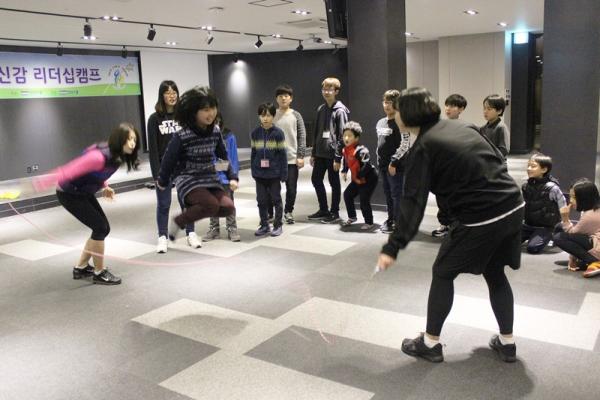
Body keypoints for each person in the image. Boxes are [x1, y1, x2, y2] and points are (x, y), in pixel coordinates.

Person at [377, 88, 524, 363]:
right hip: (513, 205)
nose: (394, 115)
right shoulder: (464, 126)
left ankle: (430, 343)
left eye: (397, 111)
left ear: (406, 116)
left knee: (443, 272)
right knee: (494, 272)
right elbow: (496, 160)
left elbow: (412, 204)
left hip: (482, 217)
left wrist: (392, 247)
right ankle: (507, 343)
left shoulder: (423, 147)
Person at [32, 122, 141, 285]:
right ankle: (99, 272)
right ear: (119, 140)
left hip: (83, 192)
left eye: (134, 139)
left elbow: (97, 173)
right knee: (100, 228)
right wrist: (38, 184)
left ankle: (81, 267)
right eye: (129, 139)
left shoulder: (117, 156)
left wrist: (105, 186)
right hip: (69, 194)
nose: (132, 143)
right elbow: (68, 171)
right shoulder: (97, 157)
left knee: (103, 228)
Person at [157, 86, 238, 242]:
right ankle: (179, 221)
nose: (211, 113)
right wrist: (162, 180)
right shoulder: (183, 135)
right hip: (188, 178)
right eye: (206, 110)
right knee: (211, 205)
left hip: (209, 177)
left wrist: (232, 176)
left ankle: (193, 210)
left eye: (213, 108)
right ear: (194, 112)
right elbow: (169, 159)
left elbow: (223, 156)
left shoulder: (215, 131)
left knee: (228, 207)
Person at [147, 80, 200, 254]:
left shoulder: (184, 116)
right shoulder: (154, 119)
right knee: (164, 204)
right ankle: (162, 237)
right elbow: (153, 149)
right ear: (162, 96)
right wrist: (157, 175)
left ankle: (191, 233)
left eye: (174, 92)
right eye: (168, 93)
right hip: (165, 168)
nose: (172, 96)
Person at [308, 77, 350, 224]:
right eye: (324, 89)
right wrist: (313, 153)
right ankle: (323, 209)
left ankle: (335, 212)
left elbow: (343, 136)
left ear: (336, 91)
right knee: (316, 179)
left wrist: (338, 157)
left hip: (332, 155)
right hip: (320, 153)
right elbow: (317, 132)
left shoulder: (340, 111)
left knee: (334, 182)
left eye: (330, 89)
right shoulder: (321, 109)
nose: (326, 92)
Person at [432, 94, 468, 237]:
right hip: (441, 170)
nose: (448, 108)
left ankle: (454, 226)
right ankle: (444, 224)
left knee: (454, 199)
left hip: (455, 170)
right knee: (441, 199)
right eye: (447, 105)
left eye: (452, 106)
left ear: (461, 109)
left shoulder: (464, 127)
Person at [250, 102, 288, 237]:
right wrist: (253, 170)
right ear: (259, 116)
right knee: (261, 200)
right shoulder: (255, 133)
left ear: (273, 116)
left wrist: (284, 173)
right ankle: (264, 225)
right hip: (259, 174)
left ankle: (278, 225)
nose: (265, 118)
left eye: (268, 115)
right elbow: (253, 153)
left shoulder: (278, 133)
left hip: (274, 174)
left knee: (276, 199)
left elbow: (283, 155)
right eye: (262, 115)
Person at [203, 113, 240, 242]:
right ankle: (214, 229)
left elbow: (234, 158)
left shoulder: (229, 136)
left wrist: (234, 178)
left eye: (217, 121)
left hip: (226, 177)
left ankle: (232, 228)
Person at [273, 84, 307, 224]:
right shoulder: (272, 114)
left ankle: (288, 211)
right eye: (280, 96)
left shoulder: (296, 115)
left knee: (291, 189)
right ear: (276, 99)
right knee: (273, 189)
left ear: (291, 98)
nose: (283, 98)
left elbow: (302, 136)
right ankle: (275, 212)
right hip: (274, 160)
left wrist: (301, 156)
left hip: (292, 159)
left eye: (286, 96)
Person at [553, 178, 600, 278]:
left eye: (574, 197)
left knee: (559, 237)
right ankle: (588, 261)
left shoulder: (589, 215)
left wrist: (565, 218)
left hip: (597, 245)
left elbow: (572, 233)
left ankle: (594, 261)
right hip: (595, 242)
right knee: (559, 227)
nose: (571, 200)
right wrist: (573, 257)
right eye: (570, 196)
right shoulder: (593, 209)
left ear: (584, 198)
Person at [521, 153, 566, 254]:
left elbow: (563, 205)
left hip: (545, 227)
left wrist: (563, 224)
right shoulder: (526, 186)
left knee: (532, 248)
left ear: (544, 169)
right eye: (528, 166)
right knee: (508, 242)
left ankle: (552, 233)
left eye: (533, 166)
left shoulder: (552, 188)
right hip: (528, 225)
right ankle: (532, 235)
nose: (529, 168)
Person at [340, 121, 378, 229]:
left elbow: (367, 165)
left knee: (364, 200)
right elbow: (346, 161)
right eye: (345, 135)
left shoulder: (361, 150)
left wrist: (359, 177)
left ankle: (369, 222)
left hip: (369, 177)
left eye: (349, 136)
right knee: (347, 194)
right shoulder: (345, 149)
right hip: (358, 178)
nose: (346, 138)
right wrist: (344, 171)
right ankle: (352, 217)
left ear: (356, 138)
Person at [376, 89, 403, 233]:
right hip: (382, 165)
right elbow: (380, 144)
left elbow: (404, 145)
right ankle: (391, 219)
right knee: (387, 193)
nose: (387, 105)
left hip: (395, 166)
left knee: (396, 195)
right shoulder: (380, 122)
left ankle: (398, 222)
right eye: (385, 102)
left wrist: (394, 162)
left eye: (390, 103)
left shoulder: (401, 122)